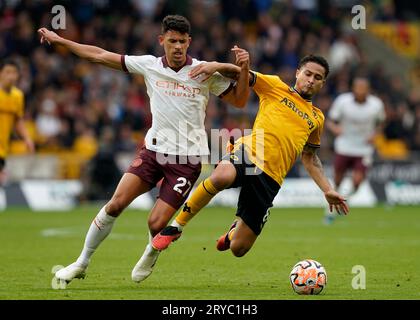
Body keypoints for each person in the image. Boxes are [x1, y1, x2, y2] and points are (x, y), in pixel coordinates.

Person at [38, 15, 250, 285]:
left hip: (186, 161)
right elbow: (99, 55)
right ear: (162, 41)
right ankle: (81, 263)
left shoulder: (203, 72)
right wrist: (60, 40)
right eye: (172, 41)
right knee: (114, 204)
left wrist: (239, 67)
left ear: (189, 42)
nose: (177, 47)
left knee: (155, 223)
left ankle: (152, 249)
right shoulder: (149, 65)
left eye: (182, 42)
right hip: (152, 152)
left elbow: (241, 100)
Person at [152, 48, 349, 257]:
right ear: (298, 72)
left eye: (317, 78)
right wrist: (216, 66)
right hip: (250, 153)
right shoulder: (275, 86)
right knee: (221, 177)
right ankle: (176, 226)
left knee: (239, 249)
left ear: (322, 84)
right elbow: (239, 74)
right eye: (308, 74)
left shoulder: (316, 118)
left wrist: (327, 189)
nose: (311, 80)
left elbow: (310, 157)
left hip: (271, 178)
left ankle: (232, 234)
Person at [324, 77, 385, 224]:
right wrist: (335, 129)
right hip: (344, 146)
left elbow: (381, 123)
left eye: (363, 88)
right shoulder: (343, 101)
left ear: (368, 89)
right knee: (337, 180)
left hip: (364, 149)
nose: (361, 91)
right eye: (358, 87)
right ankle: (330, 209)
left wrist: (375, 135)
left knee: (357, 181)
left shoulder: (376, 105)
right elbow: (330, 121)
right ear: (353, 88)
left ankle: (344, 200)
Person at [0, 60, 35, 186]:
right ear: (1, 74)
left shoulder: (18, 96)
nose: (11, 76)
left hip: (3, 149)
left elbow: (18, 120)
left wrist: (27, 138)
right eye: (7, 72)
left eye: (14, 72)